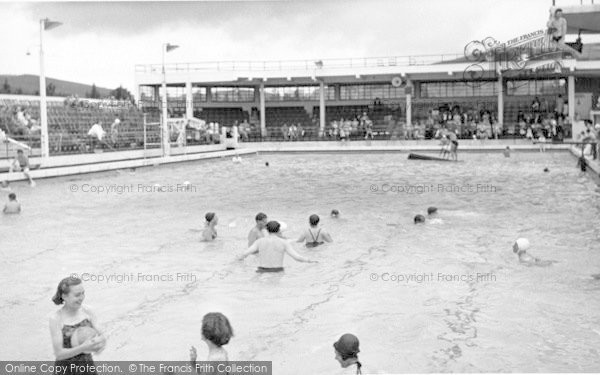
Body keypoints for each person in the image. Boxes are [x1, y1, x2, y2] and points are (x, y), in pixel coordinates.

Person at [49, 277, 106, 375]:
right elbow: (59, 354)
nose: (82, 298)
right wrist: (83, 348)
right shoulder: (56, 318)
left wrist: (99, 346)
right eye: (77, 295)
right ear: (64, 296)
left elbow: (102, 336)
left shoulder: (88, 311)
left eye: (83, 293)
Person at [237, 221, 318, 273]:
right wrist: (310, 261)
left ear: (267, 230)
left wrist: (237, 259)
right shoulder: (284, 243)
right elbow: (297, 257)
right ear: (279, 230)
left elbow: (245, 254)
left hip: (261, 270)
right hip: (277, 271)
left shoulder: (259, 241)